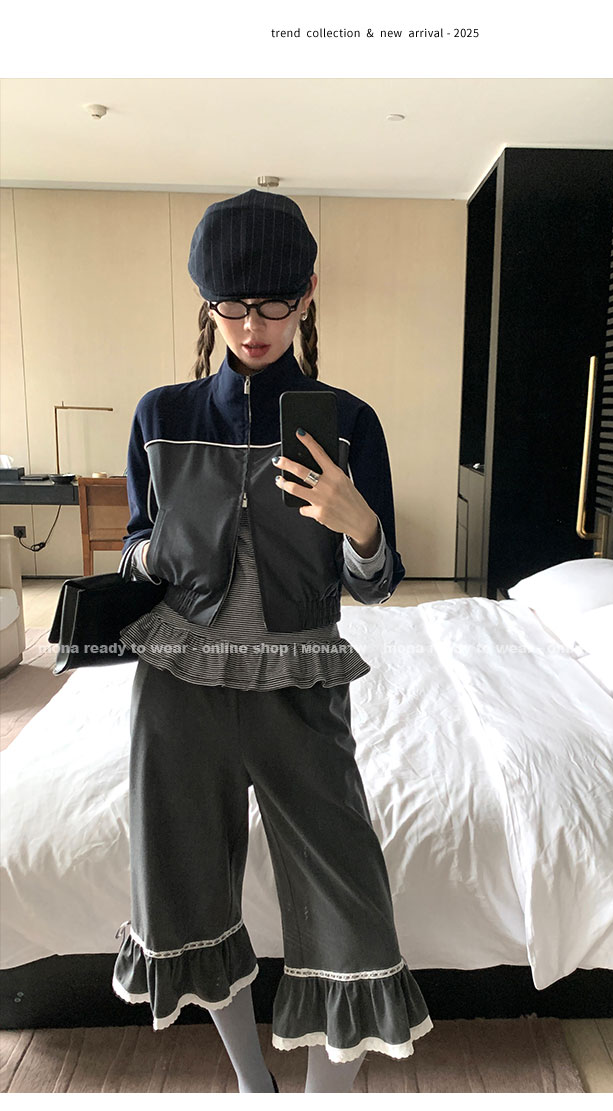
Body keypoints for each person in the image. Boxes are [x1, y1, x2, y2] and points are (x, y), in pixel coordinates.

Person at [111, 188, 433, 1093]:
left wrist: (359, 524)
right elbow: (133, 551)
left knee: (352, 908)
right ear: (206, 301)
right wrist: (164, 546)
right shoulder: (161, 414)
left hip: (302, 685)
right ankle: (255, 1087)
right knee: (185, 893)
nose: (252, 326)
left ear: (309, 294)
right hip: (179, 689)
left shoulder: (351, 421)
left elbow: (376, 583)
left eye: (274, 304)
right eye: (232, 305)